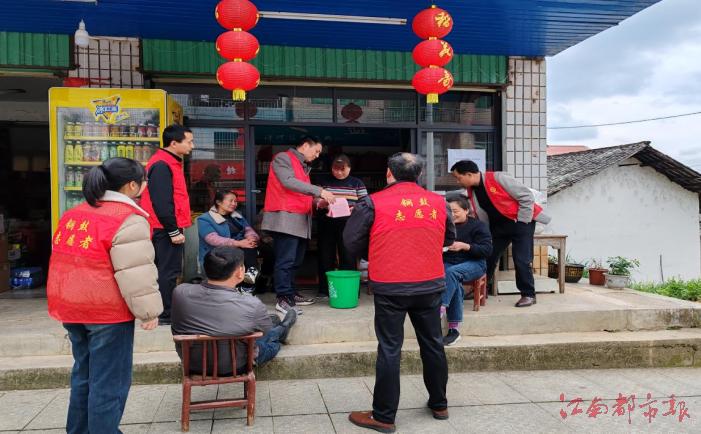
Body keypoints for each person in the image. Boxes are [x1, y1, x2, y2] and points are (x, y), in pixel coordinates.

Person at [46, 158, 163, 434]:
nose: (145, 186)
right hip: (106, 313)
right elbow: (135, 272)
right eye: (143, 181)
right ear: (132, 185)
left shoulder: (74, 213)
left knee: (84, 376)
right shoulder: (128, 218)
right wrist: (148, 312)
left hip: (70, 307)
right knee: (109, 384)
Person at [344, 153, 456, 432]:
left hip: (390, 284)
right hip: (429, 283)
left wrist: (376, 252)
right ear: (419, 175)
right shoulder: (439, 203)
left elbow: (351, 241)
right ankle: (439, 404)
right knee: (433, 343)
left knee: (390, 349)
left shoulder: (372, 202)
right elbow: (449, 238)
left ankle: (384, 416)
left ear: (389, 173)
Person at [171, 246, 297, 375]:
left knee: (253, 325)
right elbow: (265, 331)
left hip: (192, 365)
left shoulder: (180, 292)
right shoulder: (251, 304)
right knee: (271, 342)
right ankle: (282, 330)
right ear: (240, 272)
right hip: (236, 365)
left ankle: (278, 327)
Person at [450, 160, 551, 308]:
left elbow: (526, 196)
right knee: (488, 255)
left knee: (521, 259)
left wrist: (522, 222)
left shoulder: (498, 178)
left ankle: (528, 294)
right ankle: (482, 289)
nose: (458, 181)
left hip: (521, 222)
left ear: (469, 174)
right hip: (498, 226)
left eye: (459, 178)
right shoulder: (472, 190)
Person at [261, 135, 336, 315]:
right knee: (285, 261)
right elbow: (288, 182)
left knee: (296, 261)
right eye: (316, 151)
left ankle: (291, 293)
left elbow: (302, 194)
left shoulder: (303, 167)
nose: (317, 155)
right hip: (286, 218)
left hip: (300, 220)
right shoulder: (283, 158)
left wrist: (318, 202)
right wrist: (320, 191)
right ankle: (283, 298)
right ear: (305, 146)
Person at [139, 124, 194, 324]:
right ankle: (165, 313)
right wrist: (173, 230)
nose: (192, 146)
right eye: (189, 142)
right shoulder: (162, 164)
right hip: (163, 227)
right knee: (168, 271)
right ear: (173, 143)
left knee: (166, 270)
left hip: (164, 226)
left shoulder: (168, 162)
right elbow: (162, 202)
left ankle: (165, 310)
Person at [441, 196, 492, 346]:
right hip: (449, 262)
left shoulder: (478, 226)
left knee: (451, 274)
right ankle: (454, 330)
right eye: (449, 211)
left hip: (474, 263)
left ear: (466, 210)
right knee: (452, 278)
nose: (452, 215)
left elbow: (487, 250)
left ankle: (440, 309)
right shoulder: (444, 225)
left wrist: (465, 246)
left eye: (455, 211)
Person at [316, 154, 368, 297]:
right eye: (335, 169)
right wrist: (321, 203)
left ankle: (349, 290)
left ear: (349, 168)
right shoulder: (323, 182)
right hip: (327, 222)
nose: (338, 172)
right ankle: (324, 290)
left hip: (349, 223)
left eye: (342, 169)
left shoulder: (357, 183)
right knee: (325, 255)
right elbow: (314, 199)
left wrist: (354, 208)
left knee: (348, 255)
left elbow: (365, 203)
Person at [197, 190, 260, 291]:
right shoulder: (205, 219)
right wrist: (238, 243)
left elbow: (248, 230)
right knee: (246, 249)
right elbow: (212, 239)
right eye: (231, 201)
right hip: (219, 251)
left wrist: (251, 238)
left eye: (235, 201)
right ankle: (249, 280)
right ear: (218, 202)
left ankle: (250, 279)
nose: (234, 204)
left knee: (256, 246)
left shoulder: (237, 216)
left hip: (240, 246)